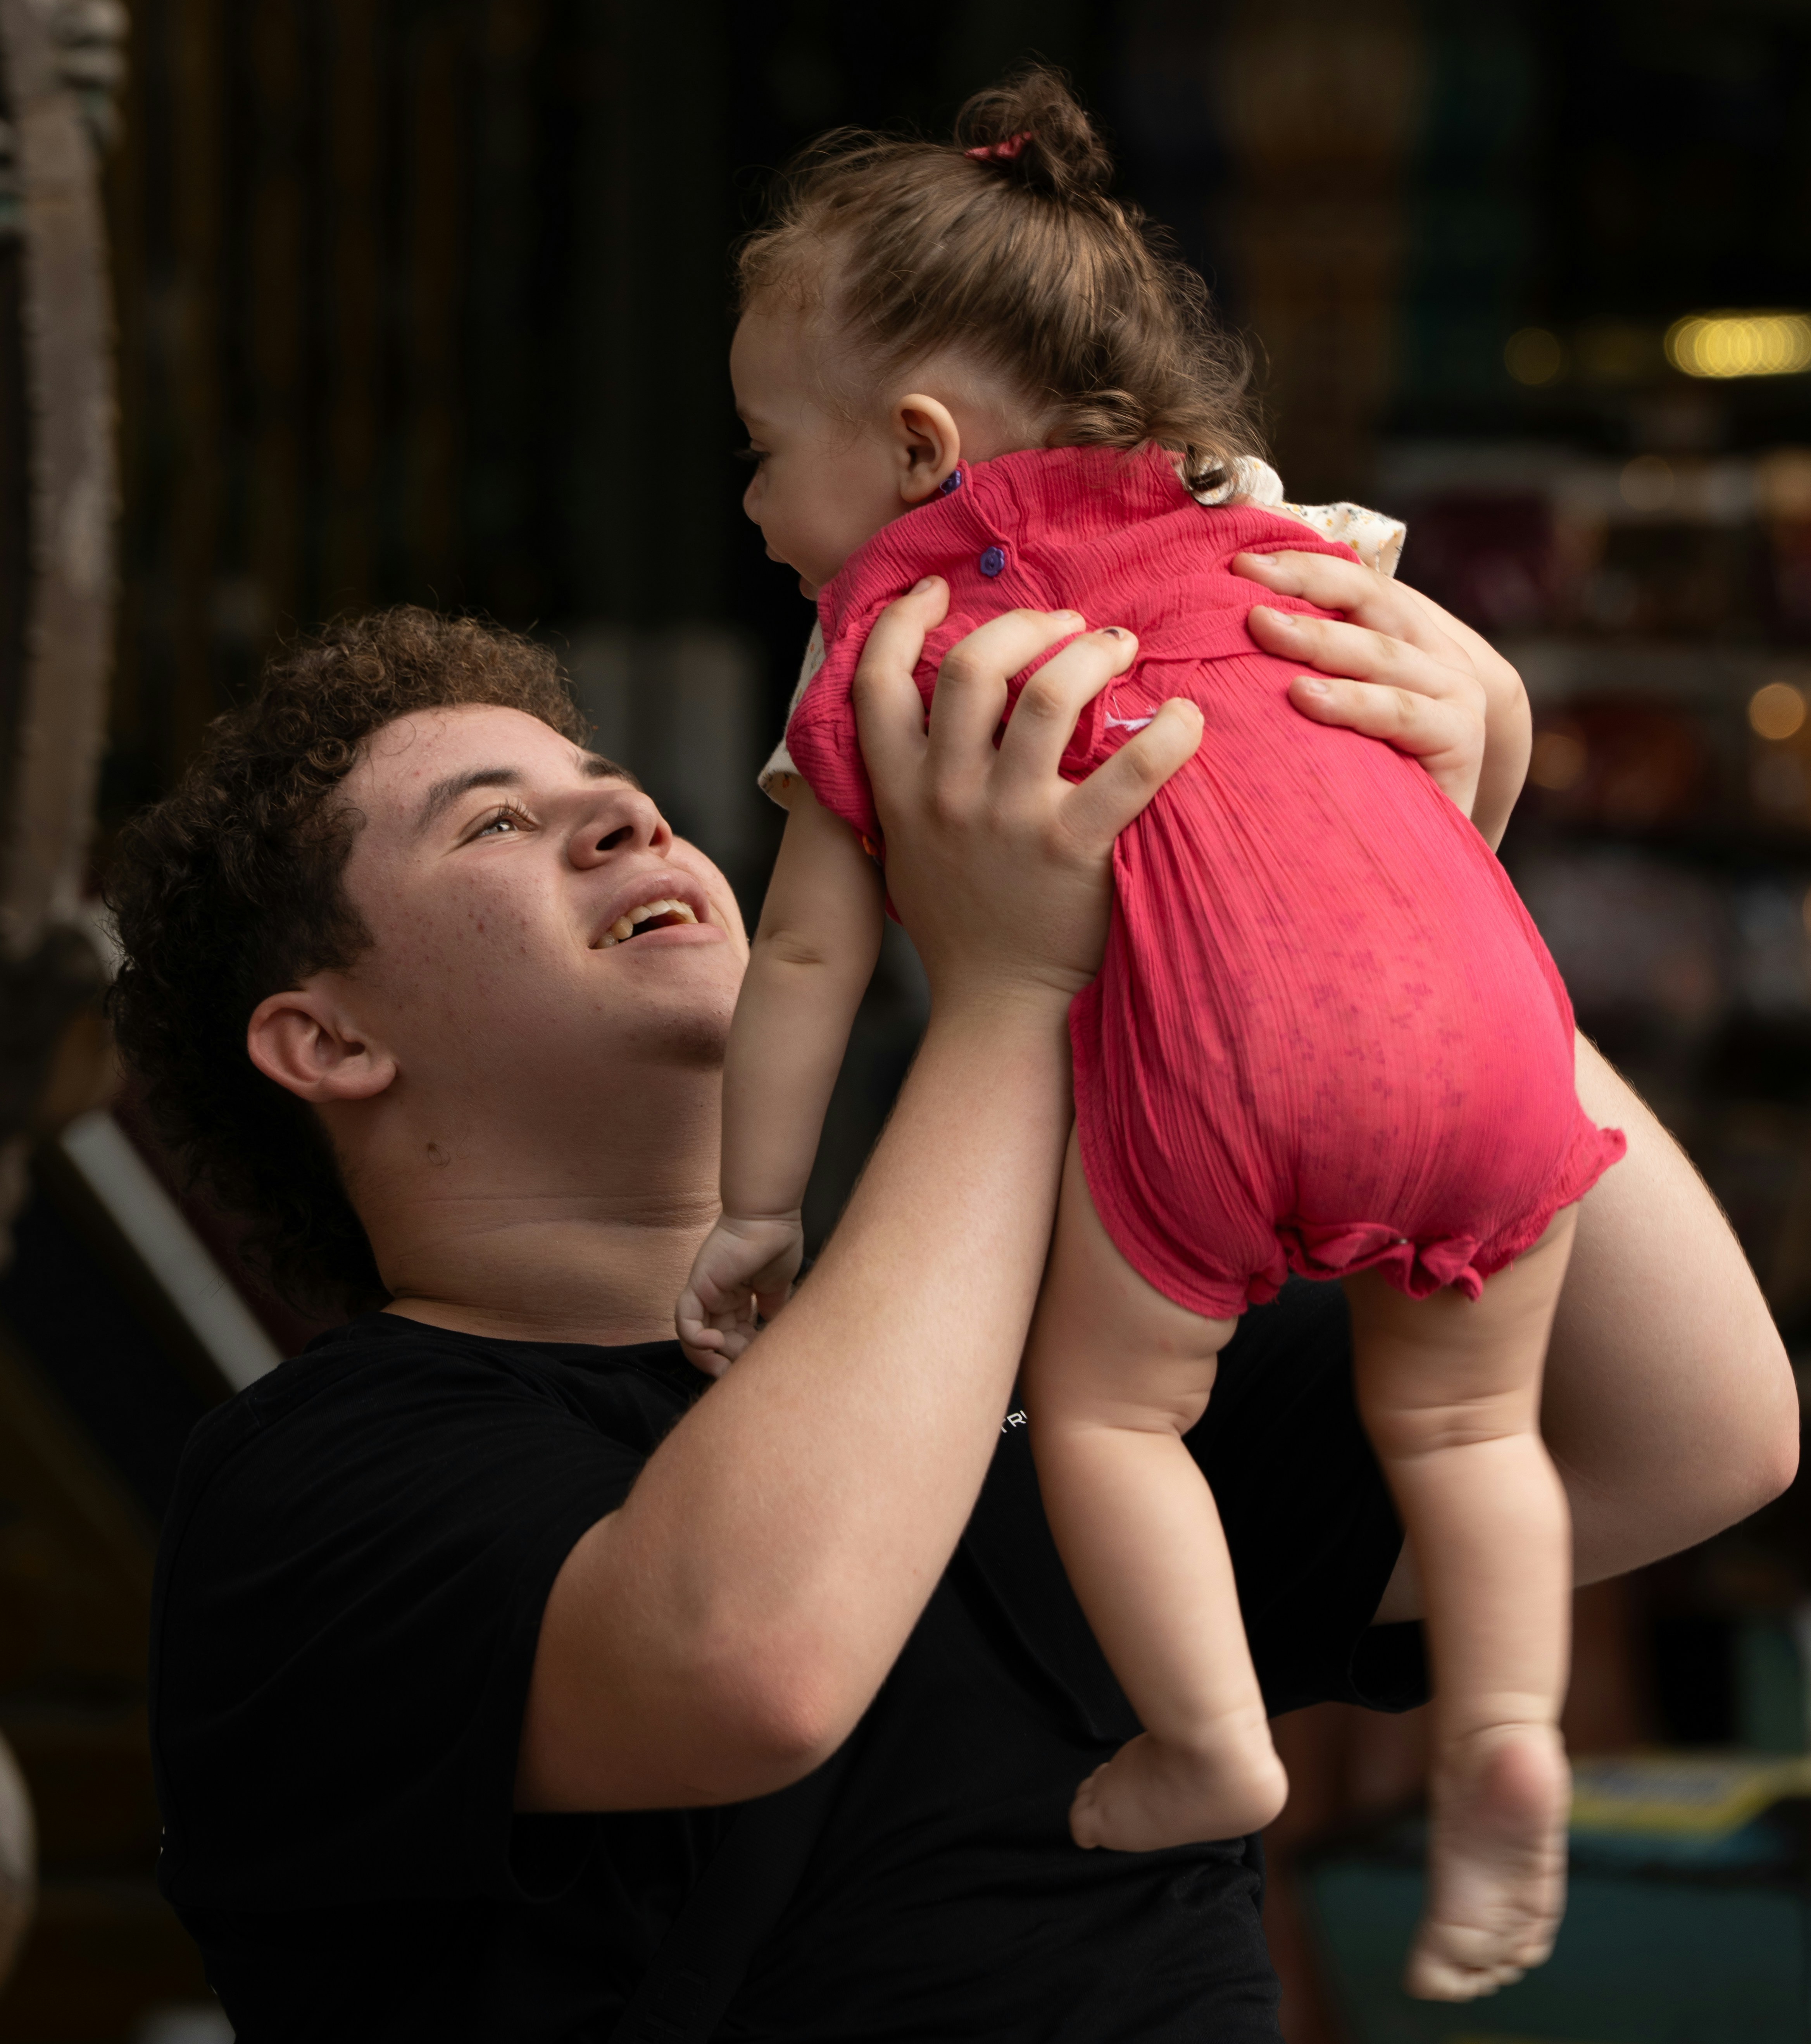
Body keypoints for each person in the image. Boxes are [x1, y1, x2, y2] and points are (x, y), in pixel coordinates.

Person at [110, 588, 1790, 2044]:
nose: (627, 824)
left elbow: (1684, 1428)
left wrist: (1398, 883)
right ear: (323, 1043)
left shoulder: (1074, 1385)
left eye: (611, 791)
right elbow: (751, 1662)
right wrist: (1010, 992)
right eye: (493, 823)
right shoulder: (302, 1491)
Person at [677, 68, 1618, 1999]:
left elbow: (800, 969)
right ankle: (1510, 1727)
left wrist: (753, 1212)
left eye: (767, 450)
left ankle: (1202, 1746)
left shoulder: (897, 641)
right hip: (1489, 1027)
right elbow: (1382, 759)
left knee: (1116, 1412)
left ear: (920, 444)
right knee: (1465, 1418)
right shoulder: (1276, 531)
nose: (760, 502)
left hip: (1229, 1077)